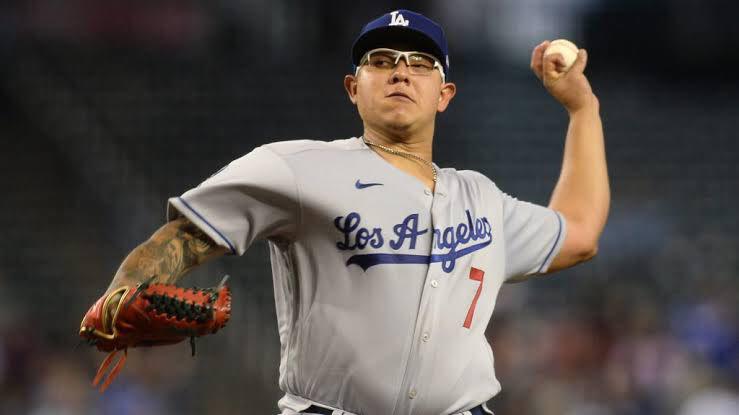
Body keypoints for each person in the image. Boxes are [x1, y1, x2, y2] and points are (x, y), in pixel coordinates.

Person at [85, 9, 609, 415]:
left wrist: (583, 109)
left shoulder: (482, 198)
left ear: (444, 94)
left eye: (420, 64)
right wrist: (122, 292)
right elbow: (181, 238)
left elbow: (581, 233)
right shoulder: (297, 168)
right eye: (381, 61)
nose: (400, 71)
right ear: (353, 88)